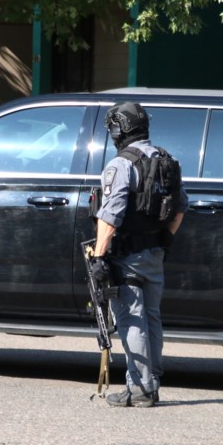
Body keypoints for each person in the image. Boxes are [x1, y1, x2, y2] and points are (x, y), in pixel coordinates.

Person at [91, 102, 188, 408]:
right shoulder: (167, 160)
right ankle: (149, 382)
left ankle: (142, 388)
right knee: (152, 318)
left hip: (126, 255)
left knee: (132, 320)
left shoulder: (120, 165)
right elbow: (180, 209)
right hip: (154, 253)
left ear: (120, 129)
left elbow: (110, 217)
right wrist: (165, 242)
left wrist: (99, 257)